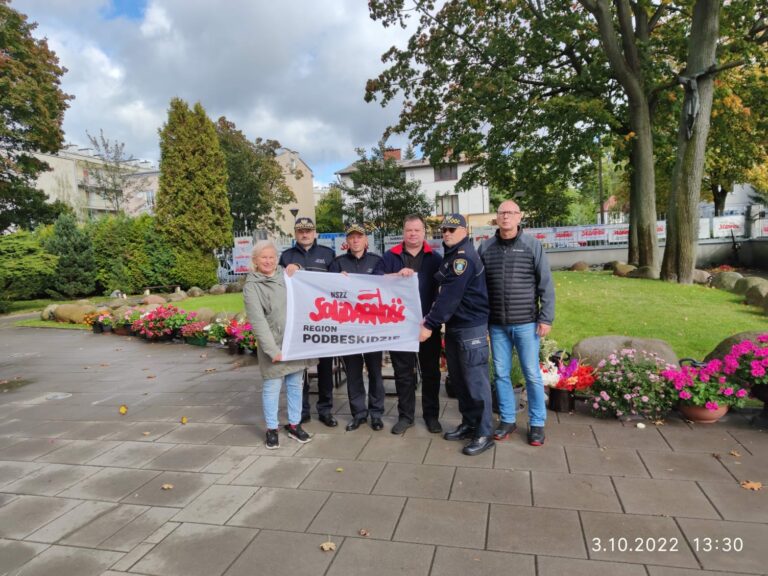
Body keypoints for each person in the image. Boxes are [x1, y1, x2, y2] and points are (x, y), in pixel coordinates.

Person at [478, 200, 555, 446]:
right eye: (502, 213)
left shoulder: (532, 246)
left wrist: (546, 317)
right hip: (497, 324)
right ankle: (508, 419)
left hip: (526, 323)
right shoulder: (486, 247)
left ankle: (537, 423)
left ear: (519, 217)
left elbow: (546, 284)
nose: (506, 217)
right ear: (497, 218)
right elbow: (478, 287)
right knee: (500, 374)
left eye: (511, 213)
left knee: (532, 374)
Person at [420, 214, 493, 456]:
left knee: (475, 383)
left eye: (452, 229)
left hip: (470, 327)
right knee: (460, 381)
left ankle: (484, 433)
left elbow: (450, 297)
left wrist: (429, 324)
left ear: (464, 230)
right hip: (456, 327)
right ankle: (470, 424)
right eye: (444, 229)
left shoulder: (463, 258)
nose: (447, 233)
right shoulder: (451, 256)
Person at [243, 240, 315, 449]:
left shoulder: (286, 275)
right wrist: (272, 350)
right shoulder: (251, 287)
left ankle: (294, 425)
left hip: (293, 342)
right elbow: (258, 322)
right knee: (272, 387)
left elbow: (308, 283)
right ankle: (272, 429)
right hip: (273, 346)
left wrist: (299, 268)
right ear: (255, 261)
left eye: (271, 257)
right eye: (263, 257)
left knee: (295, 386)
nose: (268, 261)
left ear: (277, 259)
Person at [376, 214, 443, 435]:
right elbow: (375, 282)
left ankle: (431, 416)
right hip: (399, 326)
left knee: (431, 372)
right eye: (408, 230)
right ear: (403, 232)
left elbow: (444, 290)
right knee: (403, 373)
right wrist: (395, 275)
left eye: (417, 230)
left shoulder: (435, 258)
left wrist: (433, 321)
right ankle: (406, 416)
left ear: (424, 232)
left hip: (427, 324)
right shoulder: (390, 256)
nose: (413, 234)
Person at [279, 216, 338, 427]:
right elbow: (279, 287)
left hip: (324, 321)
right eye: (300, 231)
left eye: (308, 230)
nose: (305, 234)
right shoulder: (286, 257)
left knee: (324, 367)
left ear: (315, 233)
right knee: (298, 368)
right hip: (298, 322)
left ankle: (325, 410)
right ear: (295, 234)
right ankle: (301, 410)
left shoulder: (328, 254)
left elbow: (337, 286)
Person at [329, 223, 386, 432]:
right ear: (347, 241)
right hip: (348, 329)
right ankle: (359, 414)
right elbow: (328, 293)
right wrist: (337, 281)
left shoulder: (378, 262)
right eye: (351, 237)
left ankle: (377, 414)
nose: (355, 240)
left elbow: (385, 288)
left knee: (375, 373)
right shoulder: (338, 263)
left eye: (359, 237)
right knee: (353, 374)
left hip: (371, 328)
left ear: (365, 240)